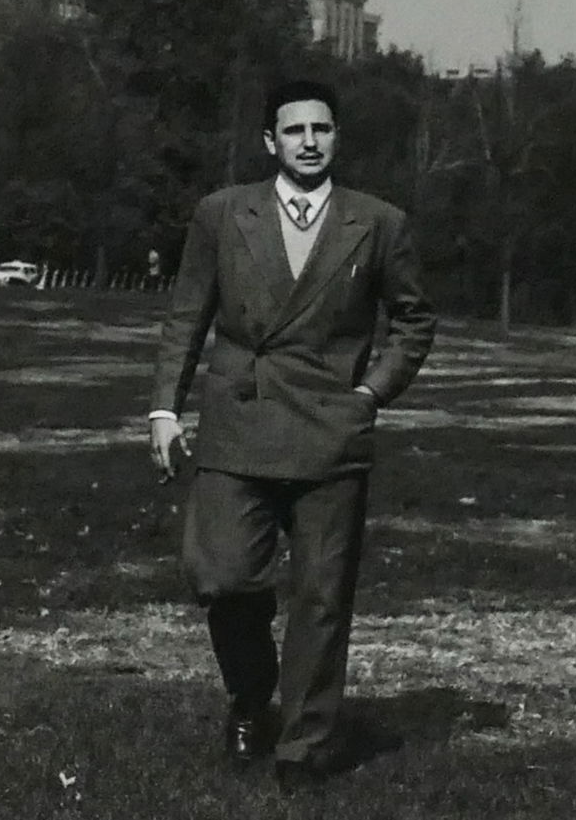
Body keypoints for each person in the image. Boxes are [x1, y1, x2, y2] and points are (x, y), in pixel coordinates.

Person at [148, 78, 436, 793]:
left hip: (330, 432)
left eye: (323, 129)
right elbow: (187, 313)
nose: (310, 141)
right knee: (219, 572)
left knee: (320, 594)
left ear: (336, 138)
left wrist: (370, 393)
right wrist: (163, 408)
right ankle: (252, 693)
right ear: (270, 141)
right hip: (238, 420)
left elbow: (414, 320)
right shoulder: (222, 213)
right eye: (296, 130)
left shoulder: (377, 222)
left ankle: (303, 746)